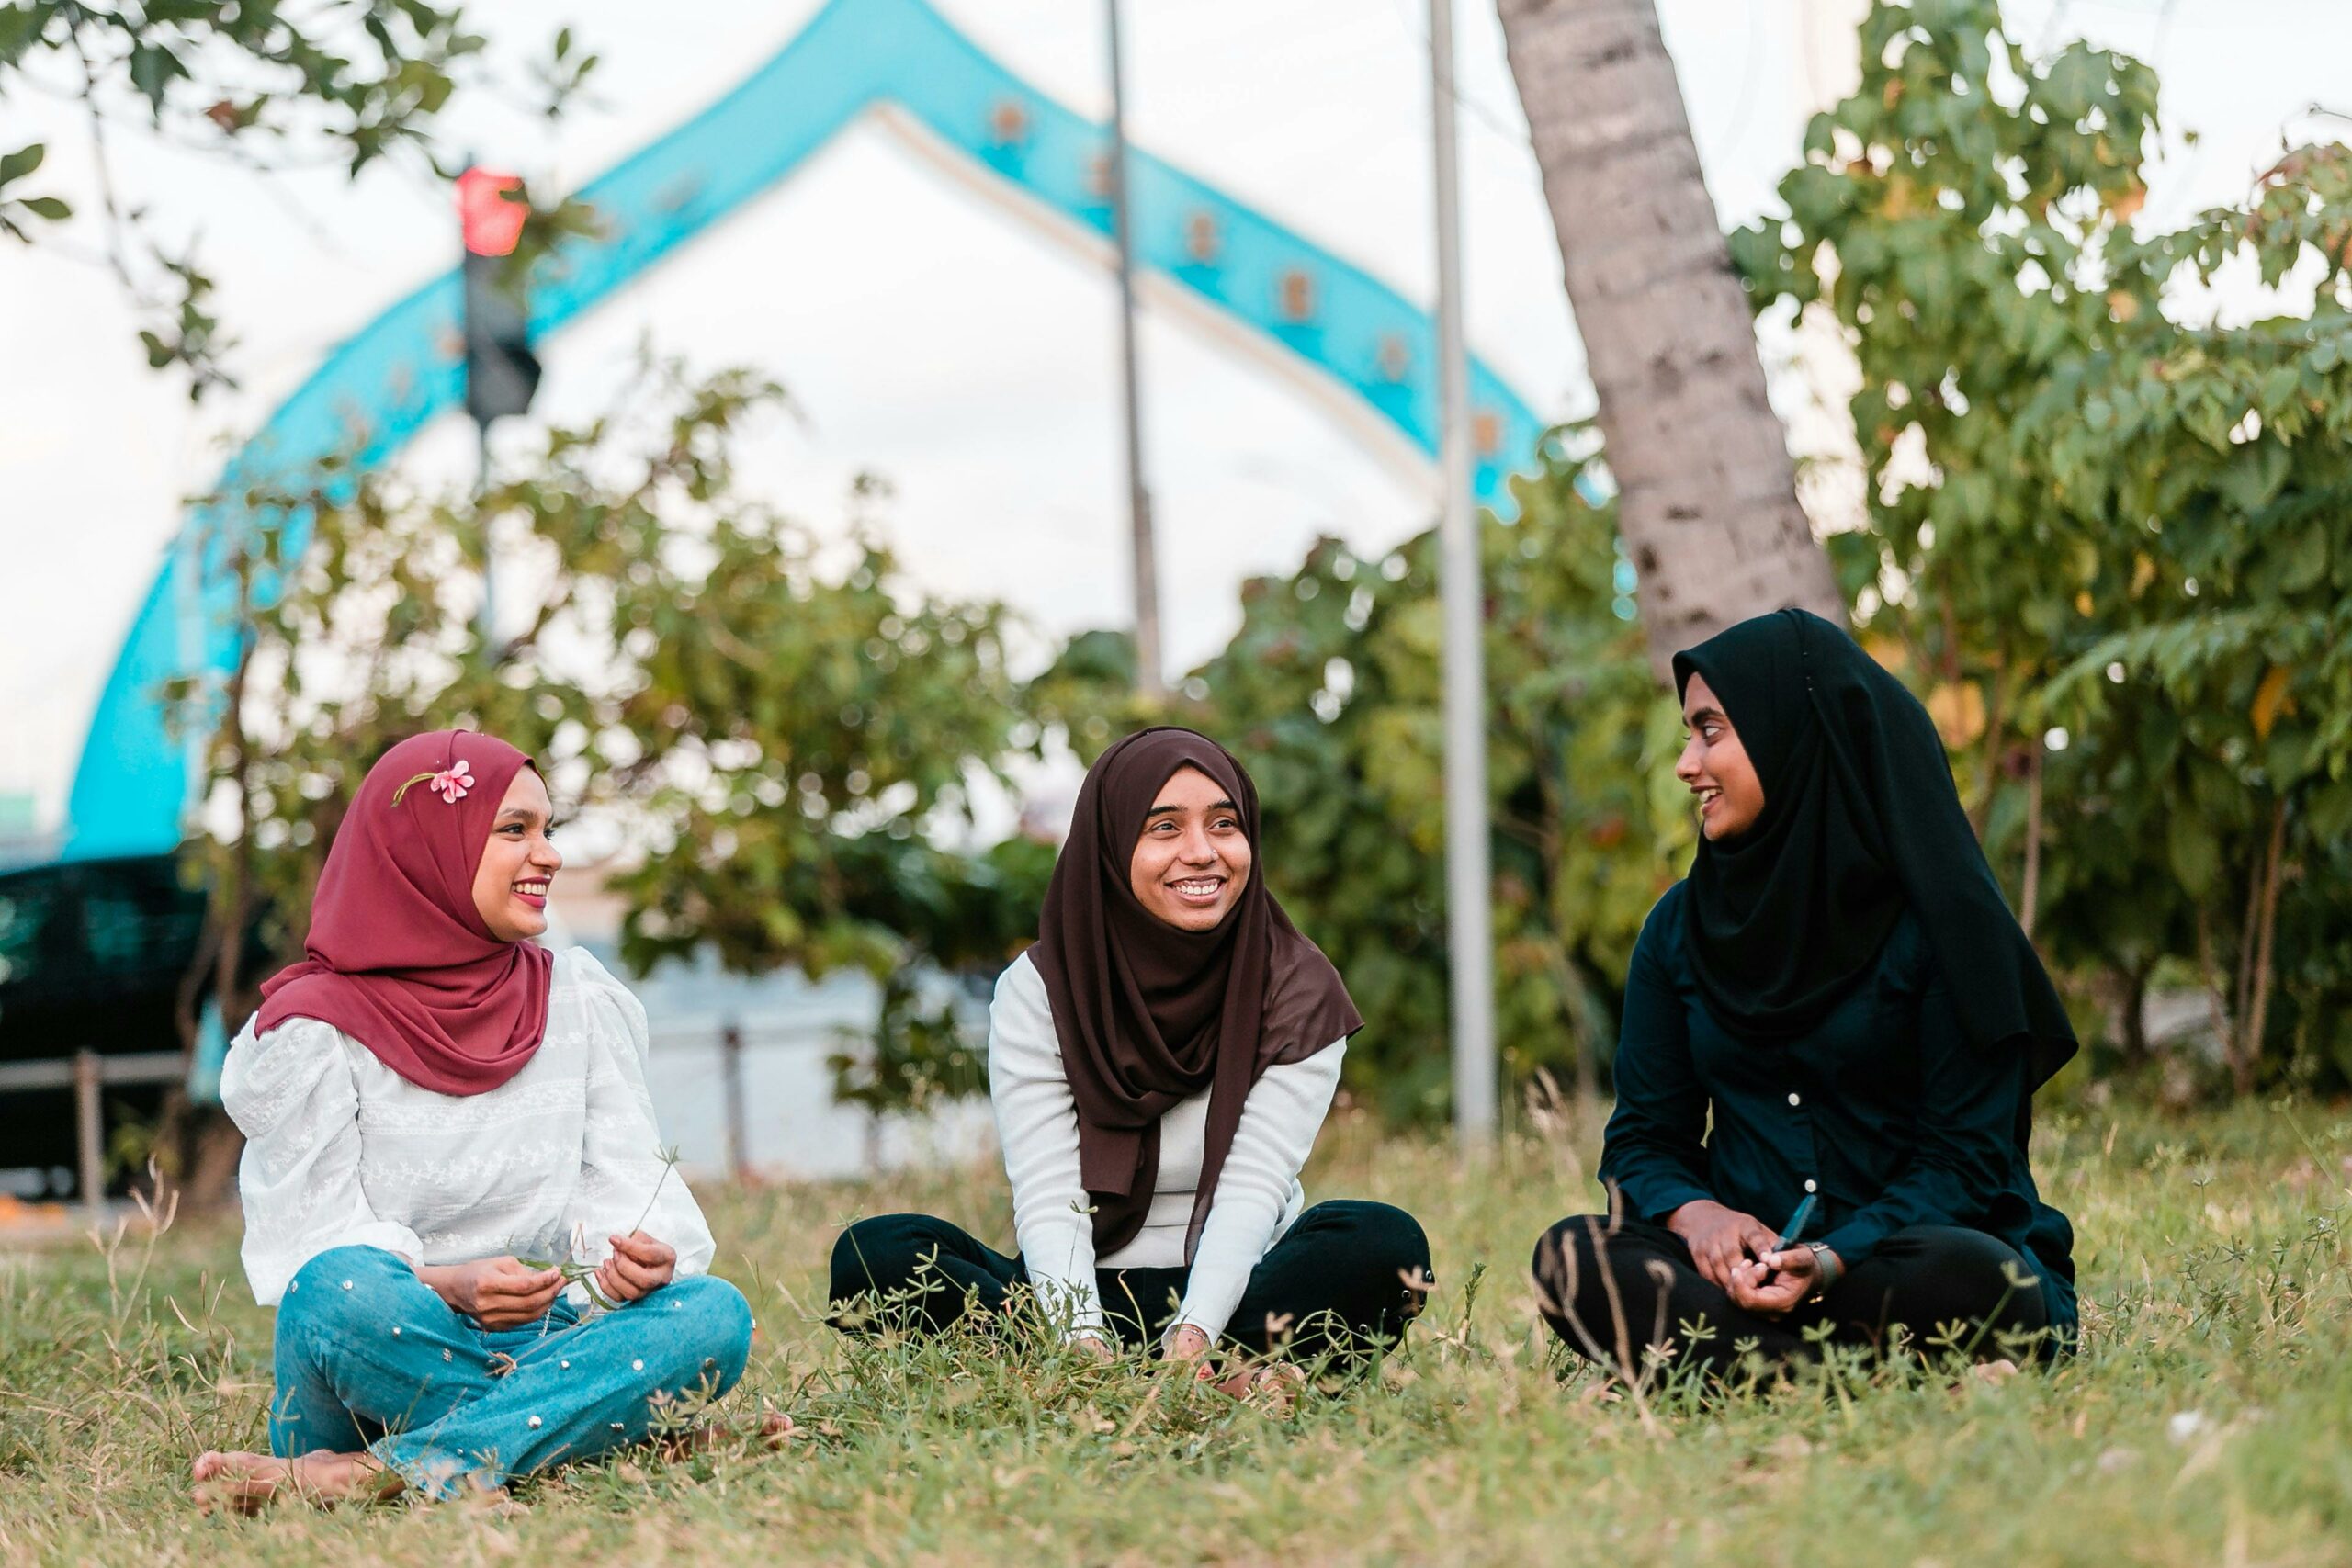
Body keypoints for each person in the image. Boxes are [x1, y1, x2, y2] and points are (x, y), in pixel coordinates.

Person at [191, 731, 754, 1510]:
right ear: (429, 849)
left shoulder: (576, 997)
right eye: (515, 829)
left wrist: (634, 1262)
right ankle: (602, 1439)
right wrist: (448, 1285)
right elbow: (310, 1251)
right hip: (383, 1346)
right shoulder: (314, 1029)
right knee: (334, 1288)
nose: (549, 854)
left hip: (548, 1338)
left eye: (548, 829)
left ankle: (369, 1474)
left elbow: (624, 1192)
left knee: (712, 1315)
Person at [1532, 609, 2078, 1382]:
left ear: (1794, 735)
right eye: (1688, 734)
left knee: (1981, 1275)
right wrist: (1703, 1218)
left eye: (1711, 731)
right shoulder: (1679, 931)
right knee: (1569, 1255)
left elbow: (1965, 1166)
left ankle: (1746, 1368)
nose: (1687, 764)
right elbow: (1645, 1140)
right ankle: (1829, 1373)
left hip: (1896, 1264)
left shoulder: (1940, 926)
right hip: (1738, 1280)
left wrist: (1827, 1258)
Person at [830, 728, 1430, 1397]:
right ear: (1112, 845)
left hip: (1245, 1290)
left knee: (1383, 1242)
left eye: (1224, 824)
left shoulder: (1296, 988)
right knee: (874, 1255)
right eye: (1164, 827)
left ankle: (1192, 1368)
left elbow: (1254, 1187)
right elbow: (1050, 1194)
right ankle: (1213, 1378)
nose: (1201, 851)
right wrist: (1081, 1346)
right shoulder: (1042, 989)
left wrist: (1195, 1333)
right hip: (1076, 1294)